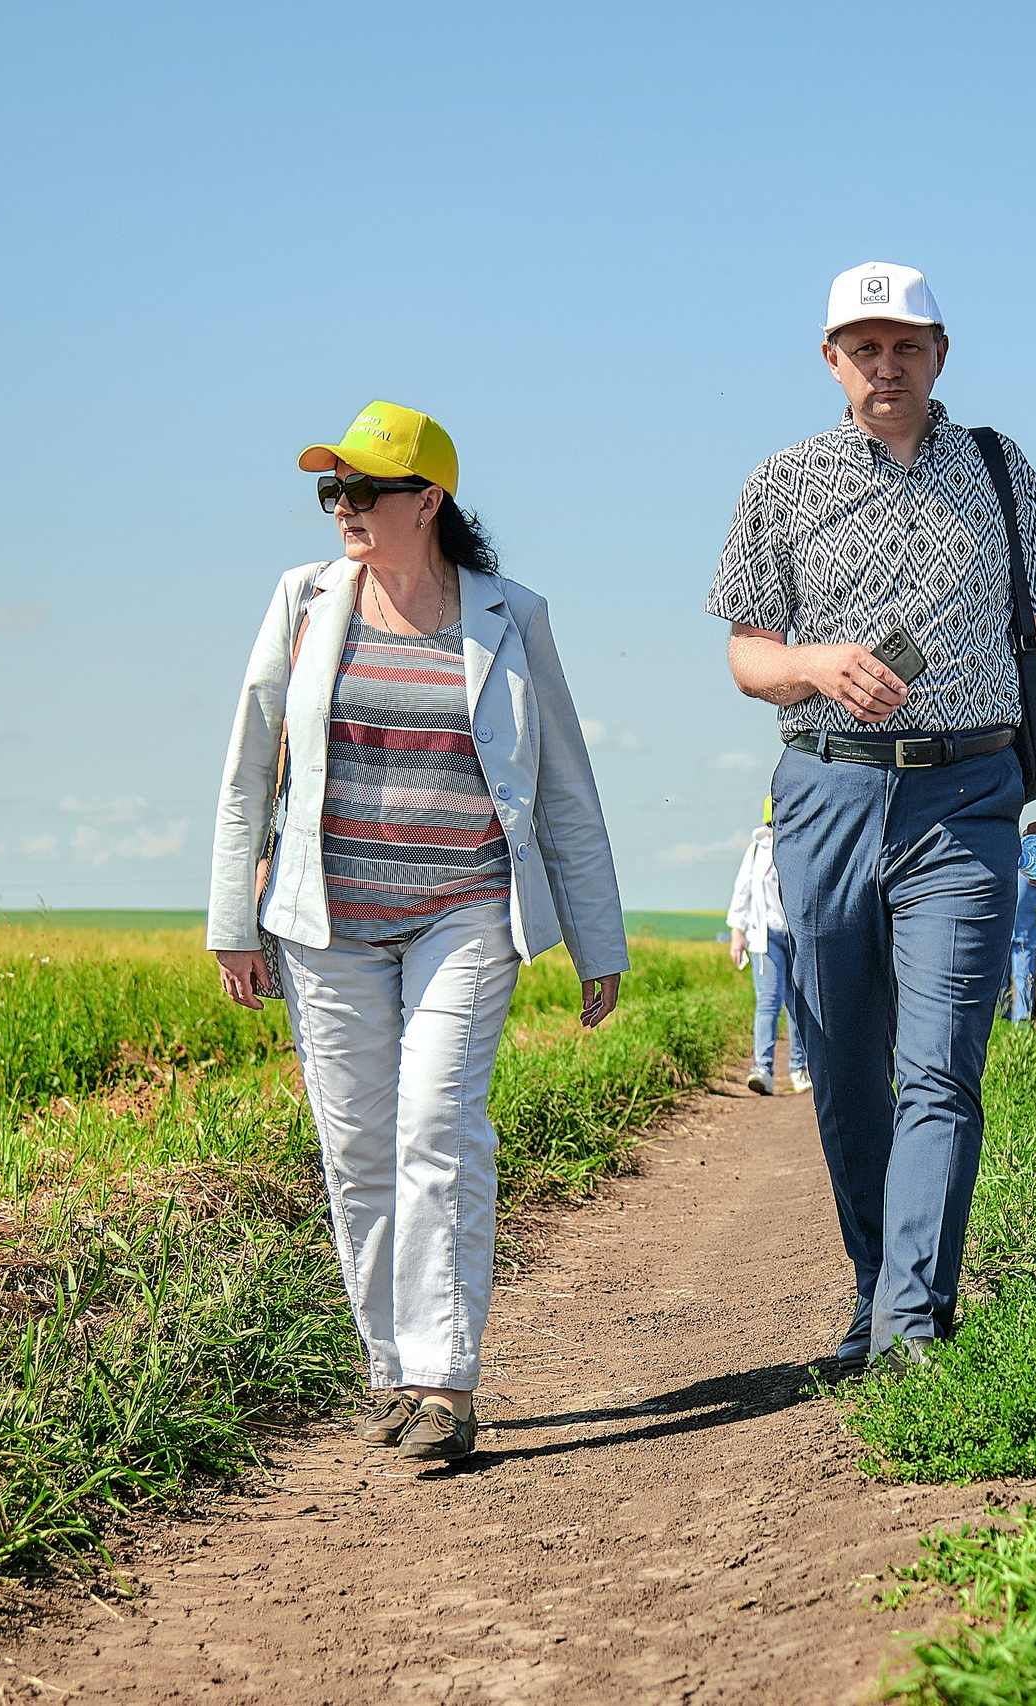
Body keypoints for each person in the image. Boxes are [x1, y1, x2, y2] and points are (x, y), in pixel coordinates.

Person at [207, 401, 629, 1462]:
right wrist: (231, 921)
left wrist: (598, 937)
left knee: (438, 1126)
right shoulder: (302, 601)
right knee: (358, 1150)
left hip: (466, 909)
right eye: (331, 492)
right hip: (324, 919)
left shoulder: (509, 615)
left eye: (364, 490)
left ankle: (445, 1381)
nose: (343, 509)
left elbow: (565, 783)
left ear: (427, 498)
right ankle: (389, 1368)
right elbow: (249, 766)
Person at [707, 261, 1036, 1371]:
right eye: (864, 347)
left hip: (967, 796)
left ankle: (913, 1325)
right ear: (830, 360)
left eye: (908, 345)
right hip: (825, 791)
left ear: (939, 354)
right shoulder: (779, 482)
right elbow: (744, 653)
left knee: (939, 1065)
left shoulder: (996, 464)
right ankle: (875, 1283)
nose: (888, 366)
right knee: (842, 1064)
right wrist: (815, 665)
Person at [727, 796, 809, 1095]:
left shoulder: (803, 845)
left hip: (799, 938)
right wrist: (737, 934)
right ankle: (763, 1070)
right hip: (766, 936)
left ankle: (799, 1070)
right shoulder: (756, 852)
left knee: (799, 1007)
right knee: (769, 1002)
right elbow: (742, 893)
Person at [1003, 870, 1036, 1025]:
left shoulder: (1033, 865)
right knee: (1000, 983)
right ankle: (1002, 1022)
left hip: (1025, 937)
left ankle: (1023, 1025)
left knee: (1024, 981)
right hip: (1001, 937)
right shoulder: (999, 860)